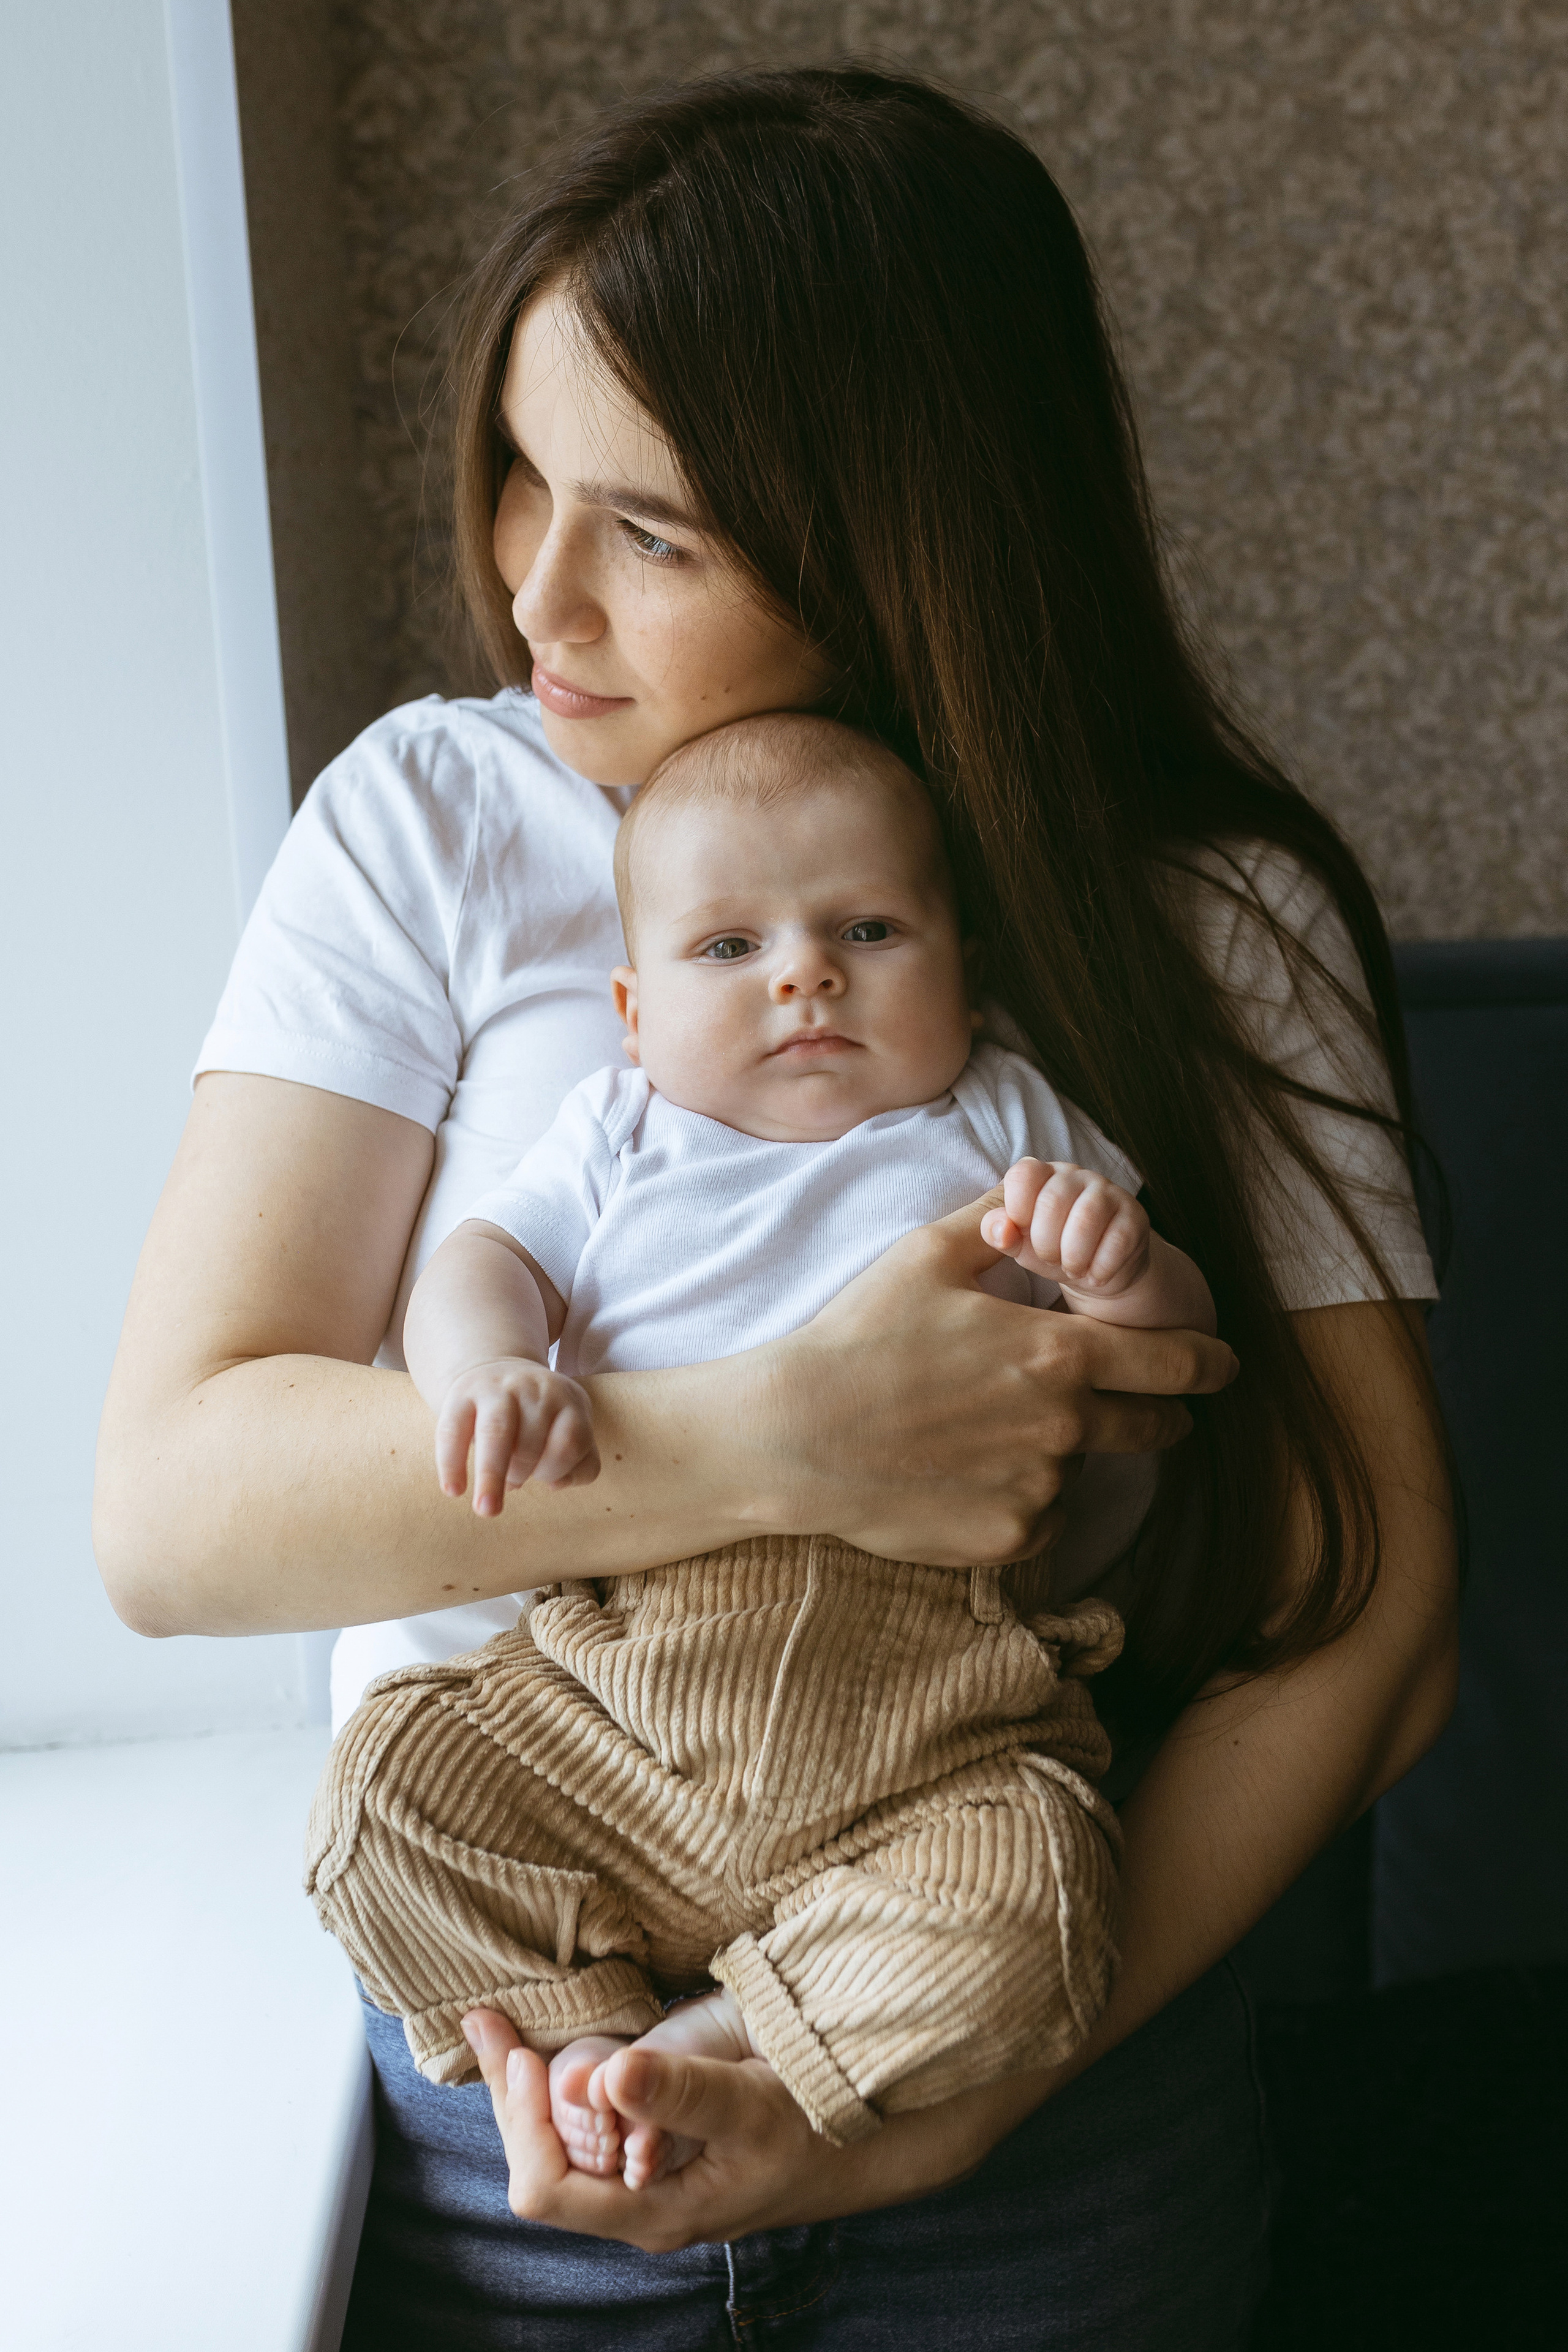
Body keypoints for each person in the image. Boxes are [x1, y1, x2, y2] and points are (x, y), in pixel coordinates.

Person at [94, 65, 1458, 2351]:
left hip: (1036, 2089)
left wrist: (913, 2103)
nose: (539, 590)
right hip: (533, 2101)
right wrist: (781, 1438)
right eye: (524, 475)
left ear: (905, 530)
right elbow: (173, 1516)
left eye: (656, 532)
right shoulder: (428, 822)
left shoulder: (1206, 916)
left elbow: (1375, 1610)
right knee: (394, 1810)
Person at [308, 710, 1218, 2185]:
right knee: (387, 1788)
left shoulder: (1001, 1117)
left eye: (865, 928)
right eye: (727, 949)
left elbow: (1173, 1360)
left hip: (932, 1713)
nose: (804, 973)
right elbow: (482, 1261)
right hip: (613, 1699)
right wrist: (484, 1369)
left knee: (1043, 1890)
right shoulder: (619, 1131)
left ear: (963, 973)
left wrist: (1119, 1266)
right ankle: (584, 2032)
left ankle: (732, 2039)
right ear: (631, 1008)